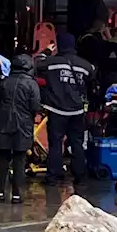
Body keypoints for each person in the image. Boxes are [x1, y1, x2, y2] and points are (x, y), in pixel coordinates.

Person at [37, 32, 94, 186]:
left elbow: (35, 63)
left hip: (56, 110)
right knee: (77, 142)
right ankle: (80, 176)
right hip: (77, 110)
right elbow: (92, 78)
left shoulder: (52, 62)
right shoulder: (85, 65)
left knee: (55, 143)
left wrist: (47, 51)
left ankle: (54, 176)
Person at [0, 53, 41, 204]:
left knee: (3, 158)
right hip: (23, 125)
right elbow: (35, 106)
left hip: (3, 123)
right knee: (19, 159)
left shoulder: (4, 82)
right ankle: (17, 195)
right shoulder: (32, 84)